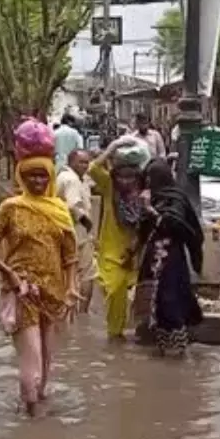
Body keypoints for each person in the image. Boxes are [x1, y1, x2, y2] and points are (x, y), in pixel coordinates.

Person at [0, 156, 80, 417]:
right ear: (22, 178)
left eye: (42, 175)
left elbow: (70, 256)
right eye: (32, 175)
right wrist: (9, 274)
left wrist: (71, 288)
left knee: (47, 358)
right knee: (31, 358)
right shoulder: (10, 208)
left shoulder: (59, 209)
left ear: (50, 178)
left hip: (54, 293)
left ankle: (35, 407)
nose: (37, 180)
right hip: (23, 291)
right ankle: (32, 413)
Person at [137, 160, 203, 357]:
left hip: (172, 258)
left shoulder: (176, 198)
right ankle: (162, 349)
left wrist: (151, 211)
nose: (148, 181)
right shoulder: (151, 197)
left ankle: (180, 350)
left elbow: (175, 225)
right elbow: (143, 229)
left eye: (151, 177)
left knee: (171, 299)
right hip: (152, 258)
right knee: (154, 302)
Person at [87, 137, 149, 340]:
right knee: (114, 291)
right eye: (120, 176)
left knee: (139, 294)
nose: (125, 181)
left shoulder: (144, 194)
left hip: (136, 252)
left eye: (130, 177)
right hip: (111, 252)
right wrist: (113, 146)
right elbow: (93, 168)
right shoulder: (109, 188)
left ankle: (130, 333)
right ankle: (115, 333)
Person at [56, 149, 97, 312]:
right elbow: (74, 205)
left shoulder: (67, 177)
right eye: (81, 162)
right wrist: (87, 223)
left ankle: (66, 311)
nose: (85, 166)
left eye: (87, 162)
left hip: (64, 232)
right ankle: (82, 313)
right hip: (77, 232)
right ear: (71, 162)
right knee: (88, 273)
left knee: (67, 273)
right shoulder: (71, 179)